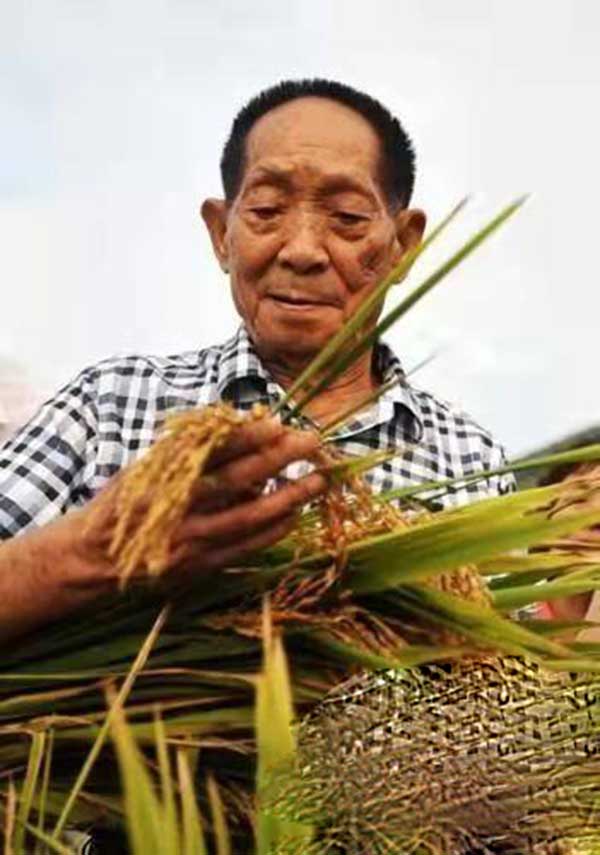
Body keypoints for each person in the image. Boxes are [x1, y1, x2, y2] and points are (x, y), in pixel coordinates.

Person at [0, 78, 516, 642]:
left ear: (403, 245)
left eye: (346, 217)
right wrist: (95, 552)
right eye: (267, 210)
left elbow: (515, 689)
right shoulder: (114, 406)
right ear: (222, 234)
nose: (301, 250)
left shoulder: (472, 462)